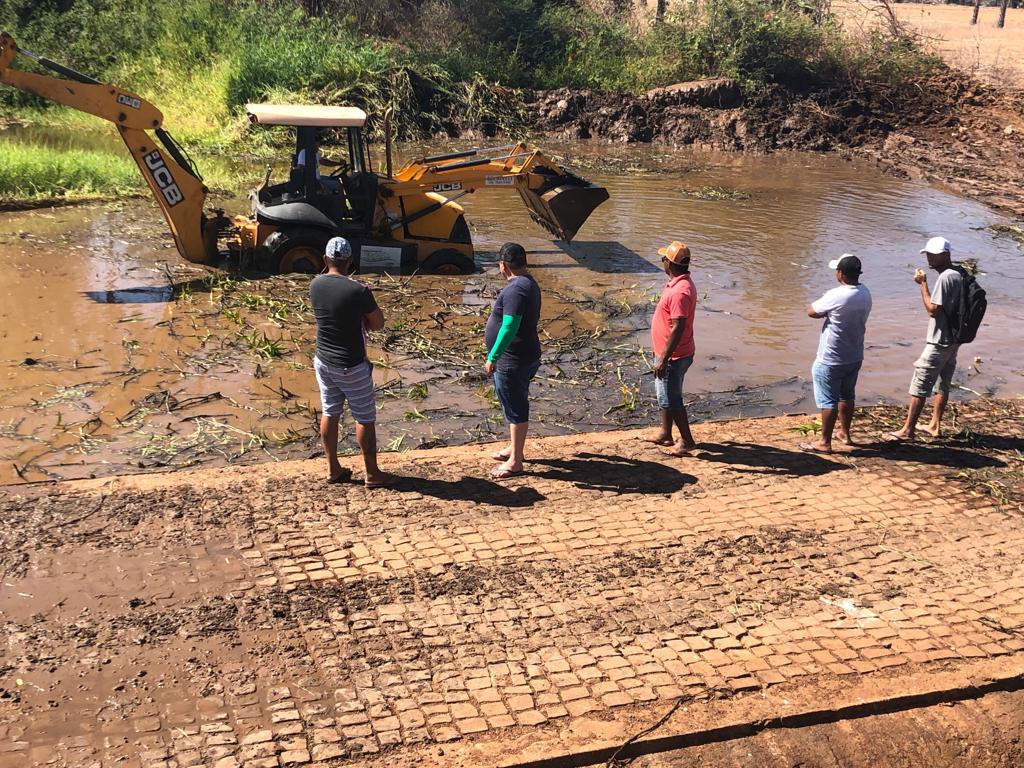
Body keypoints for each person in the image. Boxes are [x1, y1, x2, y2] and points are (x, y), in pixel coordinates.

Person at [309, 237, 389, 487]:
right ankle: (372, 473)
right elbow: (378, 323)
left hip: (323, 360)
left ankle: (333, 467)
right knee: (364, 417)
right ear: (350, 261)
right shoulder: (359, 290)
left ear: (325, 260)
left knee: (330, 411)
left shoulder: (315, 284)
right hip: (350, 364)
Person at [889, 236, 964, 441]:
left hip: (940, 340)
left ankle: (907, 430)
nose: (930, 258)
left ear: (946, 255)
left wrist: (922, 284)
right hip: (953, 338)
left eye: (935, 255)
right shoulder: (959, 273)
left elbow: (933, 310)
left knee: (920, 383)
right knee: (943, 382)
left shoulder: (946, 277)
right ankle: (934, 425)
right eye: (928, 254)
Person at [802, 254, 872, 454]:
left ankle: (824, 442)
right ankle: (845, 434)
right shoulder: (865, 292)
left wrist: (827, 306)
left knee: (828, 400)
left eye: (837, 270)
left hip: (831, 357)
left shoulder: (837, 294)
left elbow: (811, 311)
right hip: (854, 354)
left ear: (840, 273)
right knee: (847, 395)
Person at [483, 242, 542, 479]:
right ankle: (513, 448)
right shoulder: (528, 283)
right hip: (526, 354)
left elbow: (509, 325)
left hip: (513, 359)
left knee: (516, 407)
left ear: (502, 266)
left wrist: (493, 356)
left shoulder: (515, 290)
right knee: (514, 403)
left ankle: (516, 461)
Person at [644, 240, 698, 457]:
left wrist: (664, 358)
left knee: (671, 398)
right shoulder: (677, 283)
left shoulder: (680, 292)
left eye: (663, 258)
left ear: (670, 263)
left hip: (675, 355)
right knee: (664, 394)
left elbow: (678, 326)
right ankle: (666, 433)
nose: (662, 261)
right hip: (668, 352)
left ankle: (686, 440)